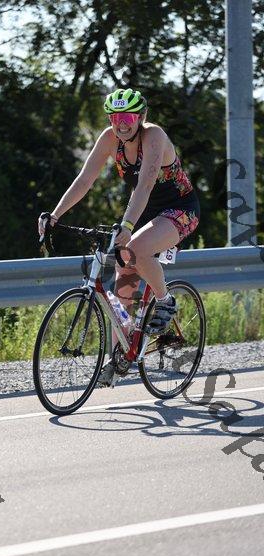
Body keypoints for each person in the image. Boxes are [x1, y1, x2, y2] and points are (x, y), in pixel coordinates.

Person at [38, 87, 200, 386]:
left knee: (135, 249)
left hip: (179, 209)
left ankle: (165, 300)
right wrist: (55, 215)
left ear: (141, 117)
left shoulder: (154, 136)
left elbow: (146, 183)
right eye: (115, 118)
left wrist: (127, 224)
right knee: (123, 270)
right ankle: (118, 357)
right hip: (145, 211)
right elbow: (85, 180)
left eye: (128, 117)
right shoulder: (109, 138)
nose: (121, 124)